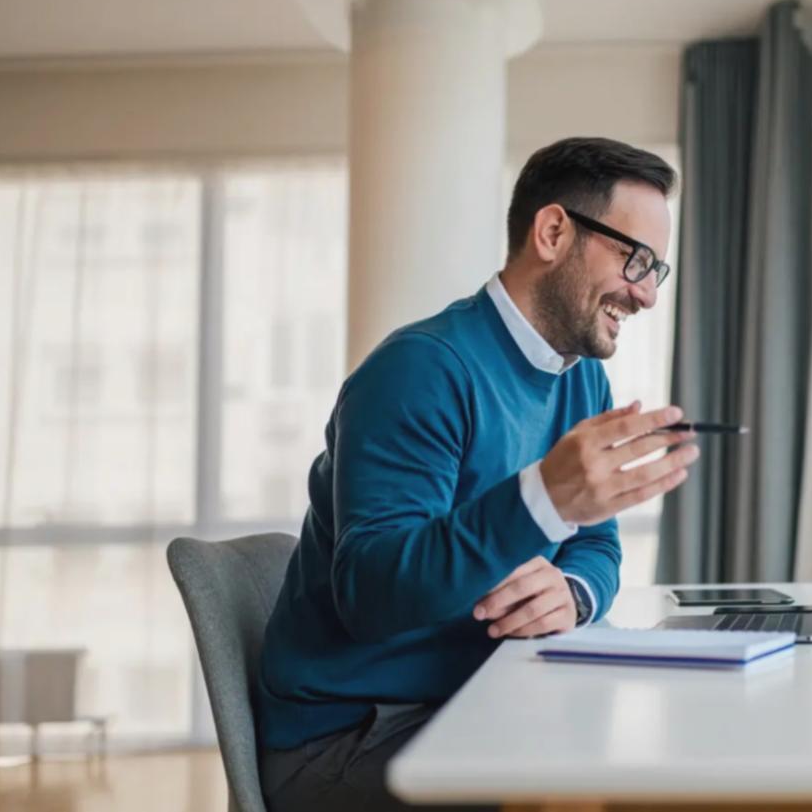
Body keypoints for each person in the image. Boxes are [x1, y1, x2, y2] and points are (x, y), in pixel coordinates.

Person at [257, 137, 699, 811]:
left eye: (655, 270)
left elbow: (596, 546)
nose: (645, 295)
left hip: (476, 693)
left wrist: (574, 592)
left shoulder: (584, 383)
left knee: (663, 755)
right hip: (354, 734)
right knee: (593, 788)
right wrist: (541, 500)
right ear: (552, 231)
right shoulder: (420, 369)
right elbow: (371, 593)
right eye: (634, 259)